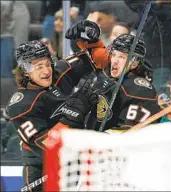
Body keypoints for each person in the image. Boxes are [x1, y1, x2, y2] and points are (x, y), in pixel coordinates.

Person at [6, 20, 106, 191]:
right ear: (24, 71)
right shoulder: (21, 106)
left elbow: (101, 59)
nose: (46, 71)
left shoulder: (59, 71)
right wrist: (76, 110)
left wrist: (94, 41)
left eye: (47, 63)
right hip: (44, 171)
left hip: (78, 163)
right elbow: (51, 148)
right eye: (38, 67)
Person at [66, 23, 160, 132]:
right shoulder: (108, 75)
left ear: (134, 63)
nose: (114, 61)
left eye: (121, 57)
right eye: (114, 55)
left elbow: (131, 134)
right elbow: (95, 55)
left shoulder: (140, 90)